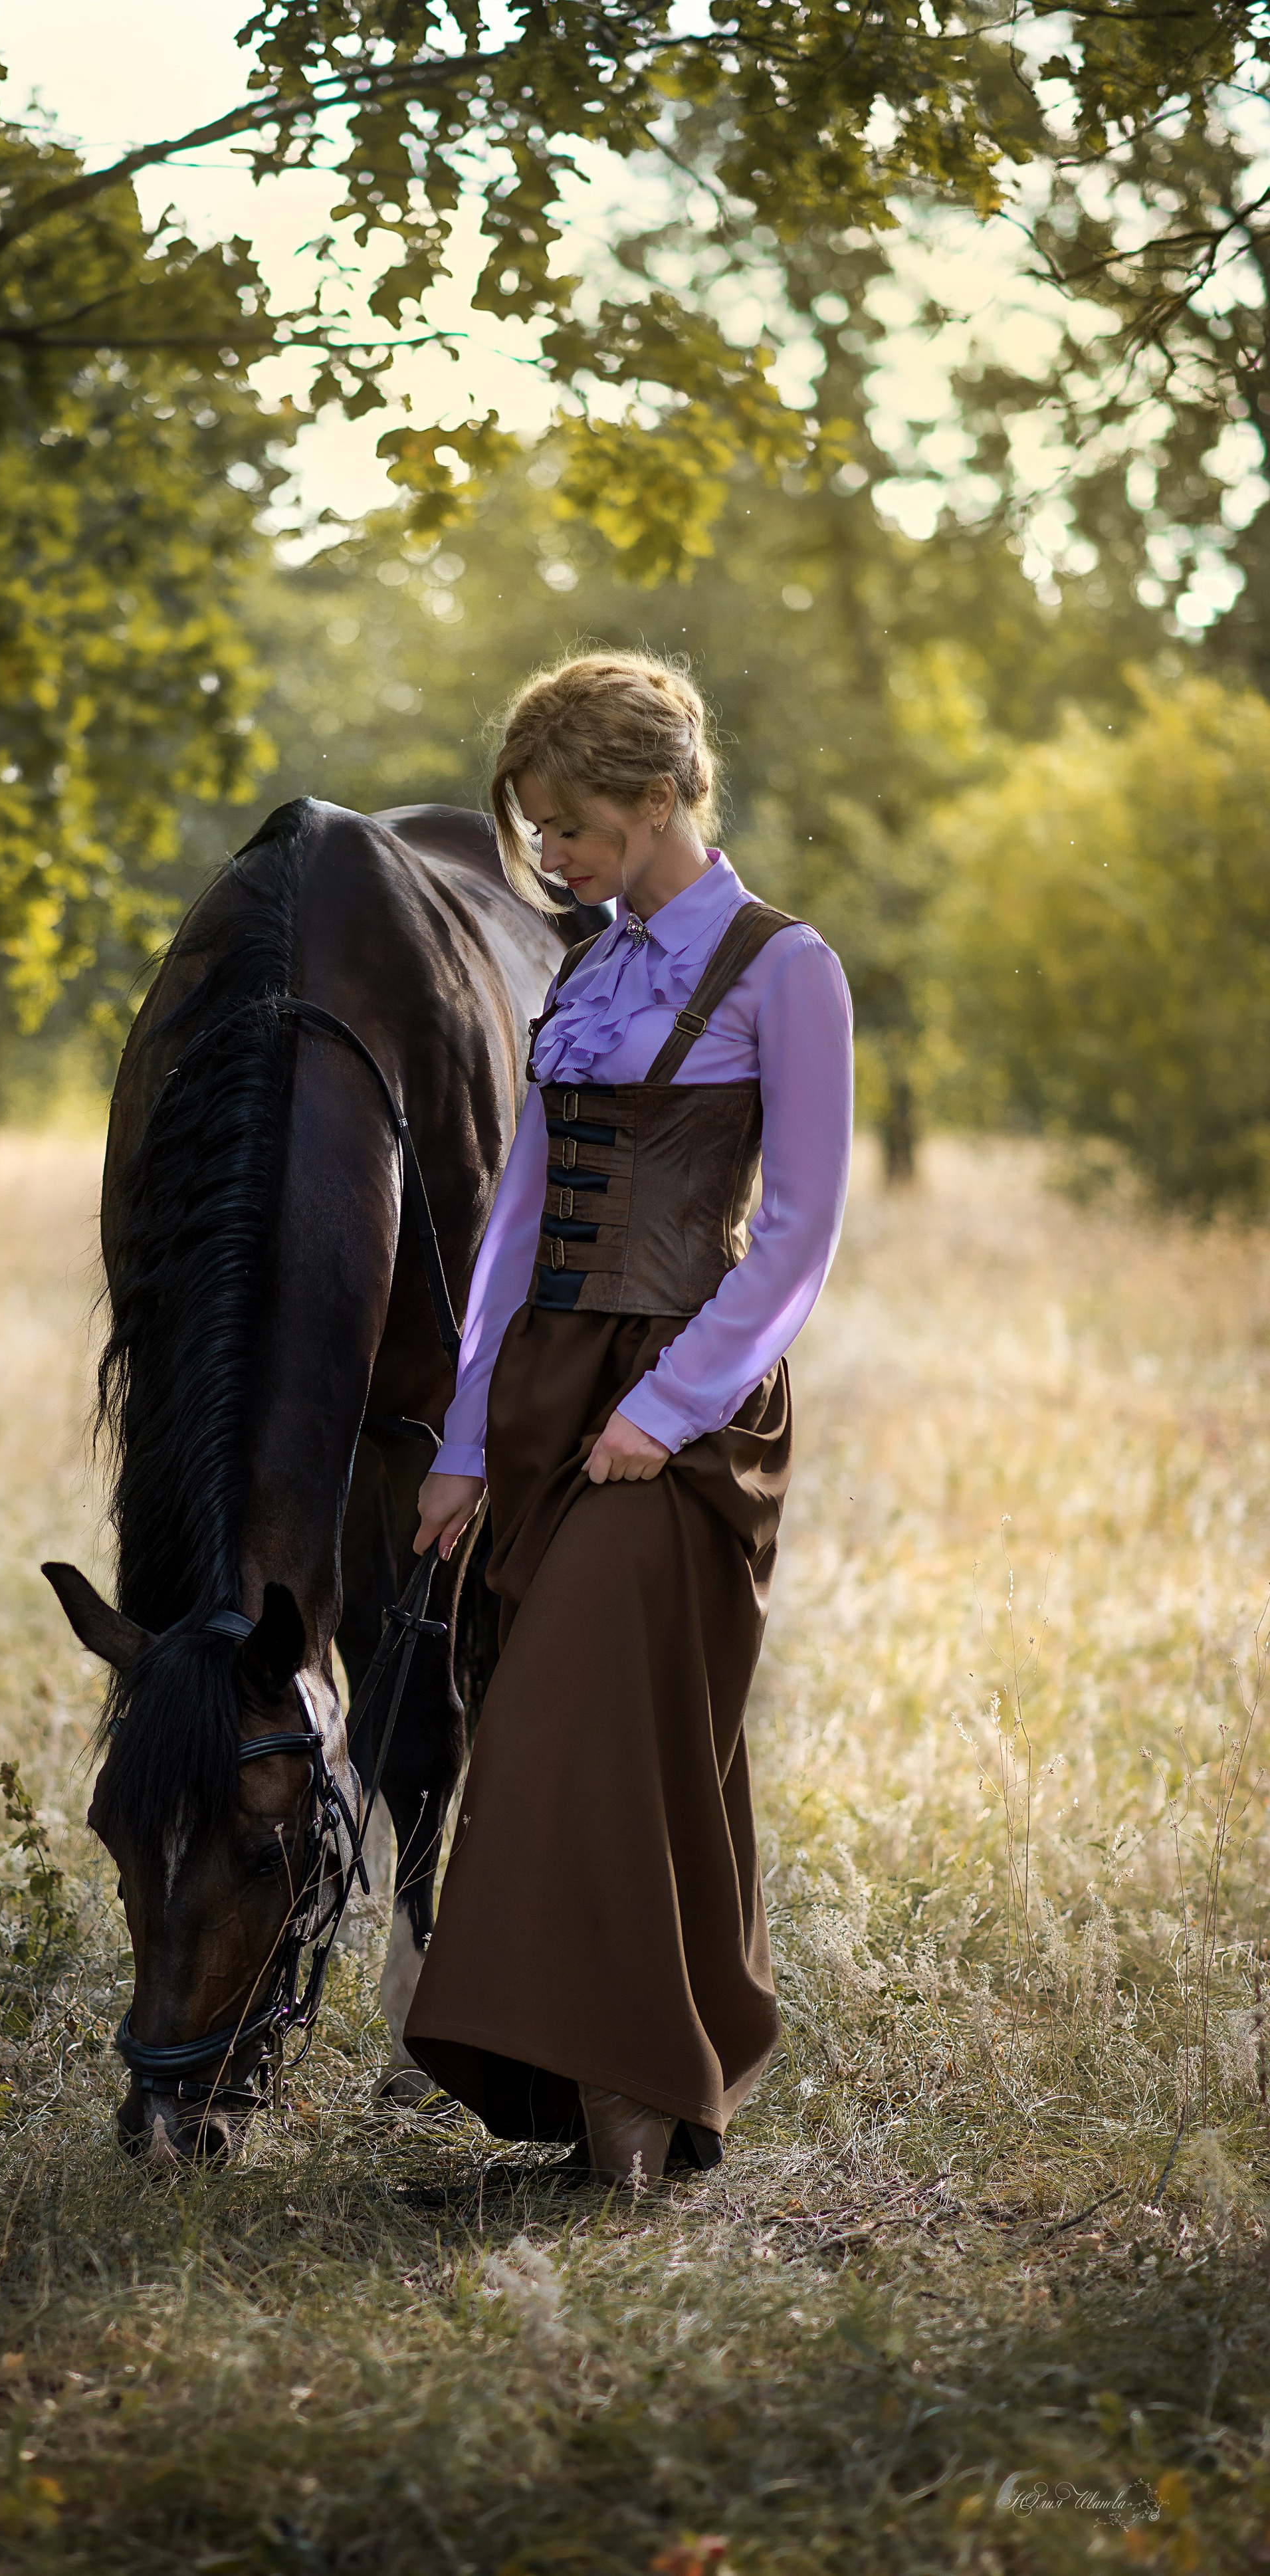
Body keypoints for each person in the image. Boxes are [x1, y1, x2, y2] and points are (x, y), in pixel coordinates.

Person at [401, 651, 854, 2188]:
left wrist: (665, 1409)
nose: (550, 857)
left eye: (572, 827)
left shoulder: (785, 966)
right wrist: (463, 1441)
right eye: (534, 830)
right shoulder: (587, 972)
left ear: (659, 799)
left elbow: (794, 1233)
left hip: (691, 1401)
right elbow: (513, 1231)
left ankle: (628, 2122)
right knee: (610, 1737)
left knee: (569, 1730)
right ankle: (622, 2121)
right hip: (543, 1392)